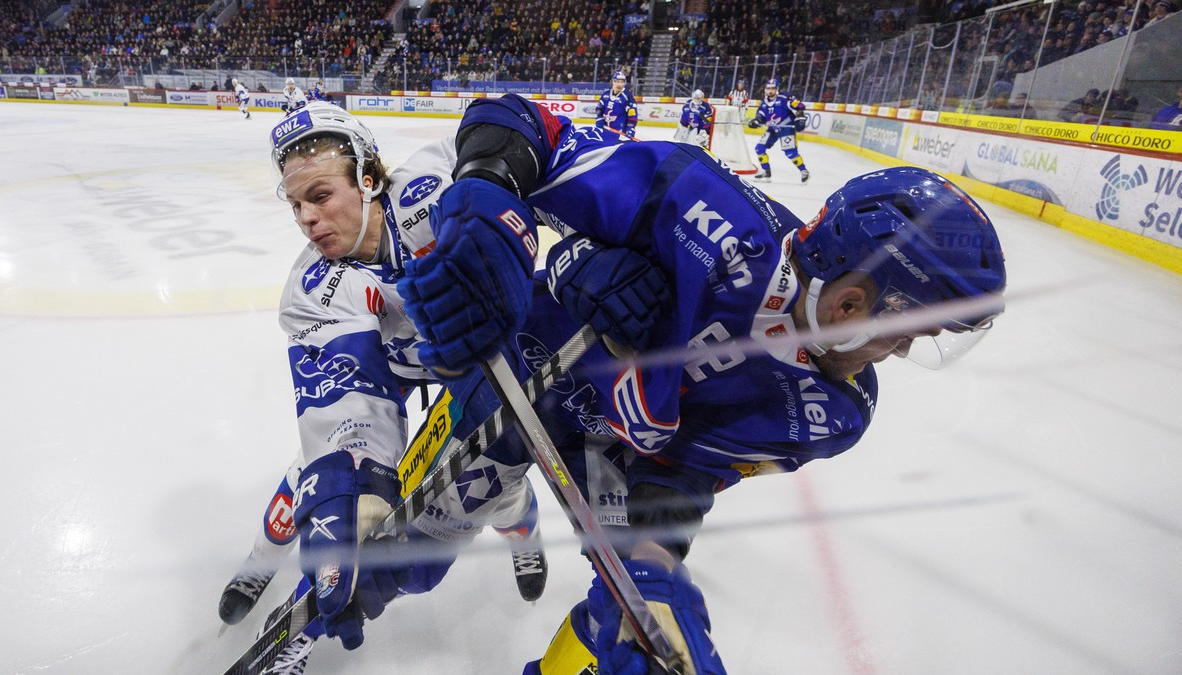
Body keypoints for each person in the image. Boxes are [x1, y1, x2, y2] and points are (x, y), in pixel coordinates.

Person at [396, 93, 1008, 673]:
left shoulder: (837, 411)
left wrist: (655, 569)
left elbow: (685, 472)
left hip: (612, 449)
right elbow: (521, 123)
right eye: (907, 331)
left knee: (628, 610)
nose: (901, 351)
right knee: (393, 557)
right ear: (852, 304)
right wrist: (532, 232)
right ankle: (513, 512)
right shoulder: (699, 201)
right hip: (523, 369)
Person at [215, 102, 549, 672]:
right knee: (314, 485)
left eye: (320, 197)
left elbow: (534, 162)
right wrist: (358, 478)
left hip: (477, 355)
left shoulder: (433, 186)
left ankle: (525, 539)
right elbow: (346, 397)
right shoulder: (313, 287)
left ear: (368, 180)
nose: (306, 219)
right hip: (390, 370)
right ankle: (260, 566)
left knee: (490, 481)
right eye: (295, 204)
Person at [746, 79, 810, 183]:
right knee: (759, 148)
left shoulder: (784, 98)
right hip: (772, 129)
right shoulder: (764, 103)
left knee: (790, 153)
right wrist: (756, 121)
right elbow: (760, 116)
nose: (770, 91)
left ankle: (804, 171)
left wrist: (800, 114)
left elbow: (800, 106)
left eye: (773, 88)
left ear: (777, 89)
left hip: (786, 128)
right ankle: (766, 172)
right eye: (768, 88)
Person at [595, 71, 638, 138]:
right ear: (613, 82)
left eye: (622, 82)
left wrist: (630, 129)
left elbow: (632, 115)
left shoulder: (628, 96)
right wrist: (599, 119)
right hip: (605, 131)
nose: (619, 84)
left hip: (620, 133)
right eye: (617, 81)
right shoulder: (605, 95)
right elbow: (599, 109)